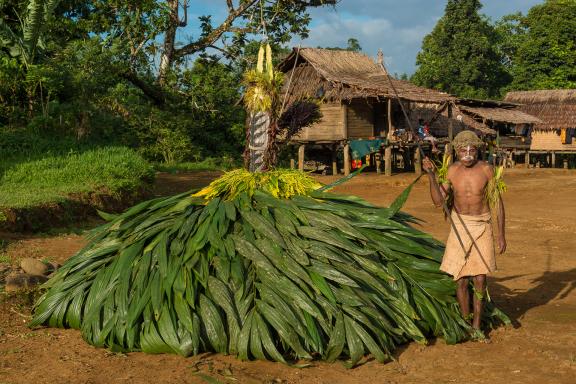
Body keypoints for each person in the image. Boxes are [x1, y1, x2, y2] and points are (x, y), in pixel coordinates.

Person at [422, 130, 506, 341]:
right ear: (456, 151)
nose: (468, 154)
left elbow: (498, 204)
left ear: (478, 151)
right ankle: (465, 321)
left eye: (472, 150)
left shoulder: (486, 169)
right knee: (460, 278)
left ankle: (477, 325)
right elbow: (439, 202)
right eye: (463, 150)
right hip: (460, 225)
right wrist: (431, 175)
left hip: (482, 225)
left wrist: (501, 235)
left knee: (480, 278)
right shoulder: (451, 171)